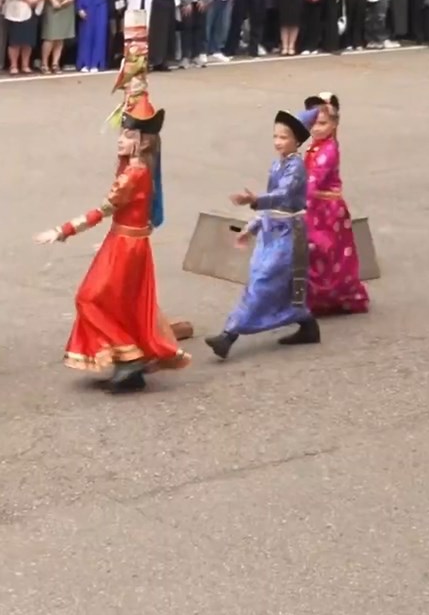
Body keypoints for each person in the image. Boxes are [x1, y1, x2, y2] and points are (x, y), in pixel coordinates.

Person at [33, 91, 189, 393]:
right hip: (127, 241)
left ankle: (129, 357)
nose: (120, 139)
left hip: (125, 245)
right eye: (122, 133)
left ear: (144, 142)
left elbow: (104, 209)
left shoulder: (133, 173)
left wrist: (62, 230)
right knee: (121, 303)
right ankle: (130, 362)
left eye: (128, 135)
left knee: (89, 298)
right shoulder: (137, 168)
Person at [204, 107, 320, 359]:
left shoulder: (296, 167)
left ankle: (229, 335)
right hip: (271, 231)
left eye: (284, 137)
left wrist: (255, 200)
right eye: (275, 136)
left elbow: (283, 195)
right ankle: (307, 323)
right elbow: (271, 204)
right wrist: (252, 227)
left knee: (263, 281)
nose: (278, 142)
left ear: (297, 141)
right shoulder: (276, 165)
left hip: (289, 232)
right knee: (276, 284)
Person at [301, 92, 369, 316]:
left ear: (334, 124)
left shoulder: (328, 150)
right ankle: (318, 298)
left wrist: (294, 198)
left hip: (326, 210)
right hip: (315, 206)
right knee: (317, 253)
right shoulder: (317, 146)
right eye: (313, 123)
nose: (316, 128)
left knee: (324, 251)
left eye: (322, 124)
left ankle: (332, 296)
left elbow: (314, 180)